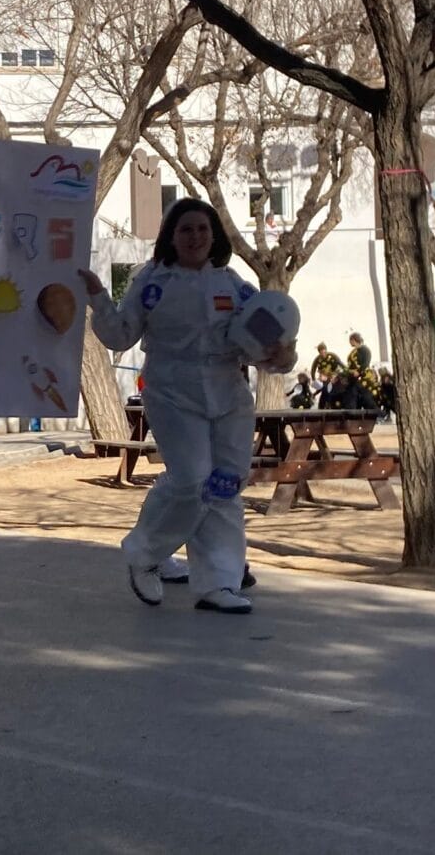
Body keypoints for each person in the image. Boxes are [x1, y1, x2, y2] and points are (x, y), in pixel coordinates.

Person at [79, 198, 296, 615]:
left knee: (225, 484)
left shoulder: (234, 286)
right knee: (191, 480)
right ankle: (145, 554)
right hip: (172, 392)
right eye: (185, 230)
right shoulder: (152, 281)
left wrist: (282, 353)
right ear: (171, 237)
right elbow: (120, 334)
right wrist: (98, 297)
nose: (195, 237)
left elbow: (267, 348)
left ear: (214, 236)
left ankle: (219, 583)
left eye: (202, 229)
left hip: (228, 394)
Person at [346, 332, 382, 406]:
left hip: (365, 376)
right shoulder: (353, 352)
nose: (350, 342)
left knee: (365, 393)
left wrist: (358, 372)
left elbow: (366, 363)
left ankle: (375, 409)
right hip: (355, 377)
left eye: (350, 340)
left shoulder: (365, 350)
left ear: (354, 340)